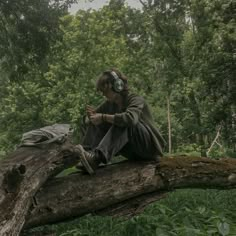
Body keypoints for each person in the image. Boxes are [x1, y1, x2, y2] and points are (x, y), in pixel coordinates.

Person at [75, 69, 166, 175]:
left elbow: (130, 119)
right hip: (133, 152)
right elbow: (92, 120)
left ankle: (97, 158)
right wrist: (91, 117)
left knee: (125, 121)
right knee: (100, 121)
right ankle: (87, 156)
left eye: (105, 90)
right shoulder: (109, 104)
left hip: (150, 149)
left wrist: (103, 117)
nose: (103, 94)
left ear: (117, 85)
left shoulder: (135, 99)